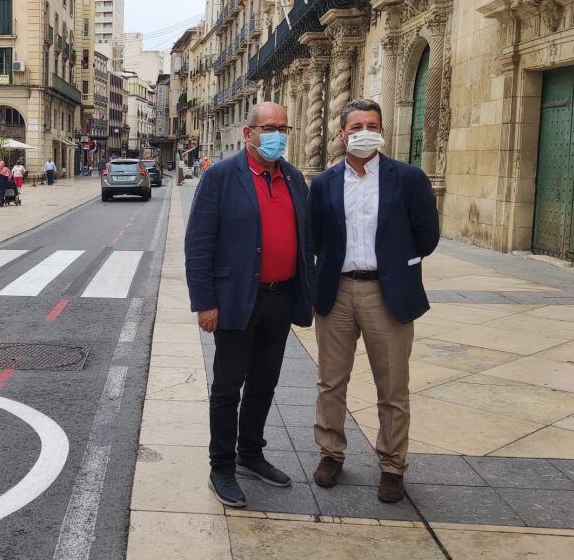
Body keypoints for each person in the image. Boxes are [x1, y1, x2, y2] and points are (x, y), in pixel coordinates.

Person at [308, 99, 440, 504]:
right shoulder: (325, 183)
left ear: (382, 130)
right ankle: (331, 453)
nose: (364, 131)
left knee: (393, 385)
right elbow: (314, 238)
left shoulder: (409, 178)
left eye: (372, 124)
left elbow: (427, 235)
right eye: (357, 125)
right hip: (338, 292)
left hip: (388, 293)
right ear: (342, 133)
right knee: (331, 381)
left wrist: (399, 267)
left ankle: (392, 465)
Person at [184, 102, 315, 509]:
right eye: (269, 128)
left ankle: (251, 454)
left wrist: (306, 295)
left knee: (265, 382)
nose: (277, 135)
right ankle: (221, 466)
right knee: (228, 387)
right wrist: (206, 303)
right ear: (249, 133)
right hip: (236, 300)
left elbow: (306, 240)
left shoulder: (294, 178)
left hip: (280, 297)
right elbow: (198, 242)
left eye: (283, 127)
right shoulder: (222, 177)